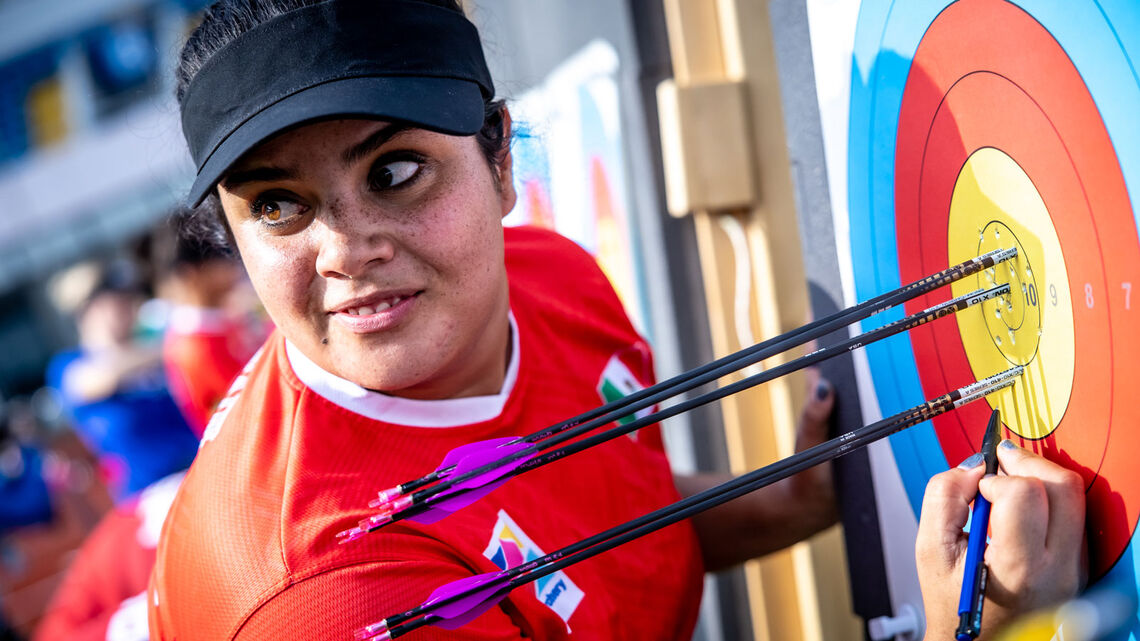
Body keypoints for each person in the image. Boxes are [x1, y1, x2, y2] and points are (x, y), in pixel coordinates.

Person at [147, 1, 1085, 640]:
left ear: (500, 160)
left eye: (393, 172)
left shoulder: (548, 278)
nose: (346, 249)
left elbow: (573, 528)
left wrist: (785, 504)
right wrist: (982, 625)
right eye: (277, 206)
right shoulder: (327, 602)